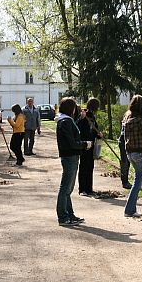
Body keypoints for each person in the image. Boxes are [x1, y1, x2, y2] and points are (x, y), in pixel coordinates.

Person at [56, 97, 93, 226]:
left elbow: (71, 133)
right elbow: (71, 142)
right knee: (65, 188)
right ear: (70, 108)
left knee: (68, 188)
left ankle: (69, 214)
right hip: (70, 156)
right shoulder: (65, 121)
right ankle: (63, 217)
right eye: (74, 107)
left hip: (70, 156)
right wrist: (85, 144)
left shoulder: (66, 120)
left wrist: (79, 119)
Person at [77, 98, 103, 196]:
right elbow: (78, 127)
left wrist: (98, 135)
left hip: (91, 144)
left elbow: (94, 129)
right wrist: (81, 118)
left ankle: (89, 188)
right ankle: (82, 189)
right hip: (84, 145)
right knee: (84, 166)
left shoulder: (92, 116)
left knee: (90, 166)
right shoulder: (84, 114)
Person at [118, 121, 132, 189]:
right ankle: (125, 182)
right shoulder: (129, 118)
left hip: (128, 141)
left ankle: (125, 181)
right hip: (123, 141)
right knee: (125, 162)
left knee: (127, 162)